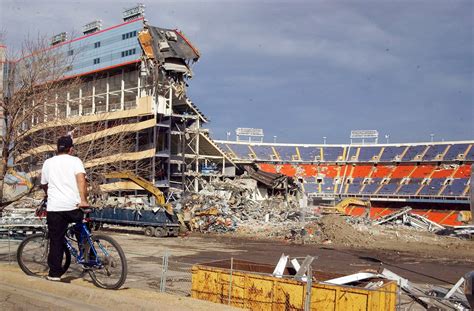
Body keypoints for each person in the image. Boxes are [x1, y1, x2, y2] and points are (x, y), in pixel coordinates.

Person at [40, 135, 89, 281]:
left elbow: (44, 183)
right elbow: (81, 179)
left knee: (56, 240)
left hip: (55, 207)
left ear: (57, 148)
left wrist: (48, 194)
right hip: (73, 205)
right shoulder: (75, 161)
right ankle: (89, 259)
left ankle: (55, 274)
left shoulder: (48, 163)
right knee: (83, 230)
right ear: (71, 149)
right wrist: (83, 200)